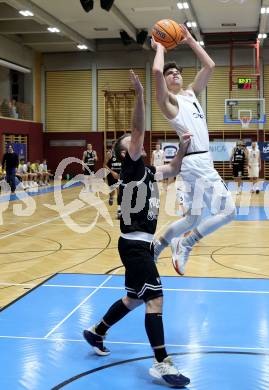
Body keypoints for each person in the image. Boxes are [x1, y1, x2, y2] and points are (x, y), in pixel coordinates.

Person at [83, 70, 190, 388]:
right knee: (155, 298)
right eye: (131, 141)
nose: (137, 141)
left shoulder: (146, 170)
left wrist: (183, 147)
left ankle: (96, 331)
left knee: (133, 298)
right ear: (123, 151)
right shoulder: (130, 166)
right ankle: (161, 363)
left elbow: (173, 168)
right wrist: (141, 96)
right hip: (134, 246)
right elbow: (138, 128)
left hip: (138, 246)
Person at [151, 25, 236, 276]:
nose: (175, 74)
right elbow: (156, 69)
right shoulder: (167, 101)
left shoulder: (190, 94)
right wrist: (159, 47)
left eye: (177, 72)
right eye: (171, 74)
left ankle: (159, 245)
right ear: (165, 82)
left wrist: (189, 39)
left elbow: (210, 66)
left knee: (192, 219)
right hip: (196, 163)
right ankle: (186, 243)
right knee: (229, 212)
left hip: (198, 163)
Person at [105, 142, 122, 218]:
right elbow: (104, 165)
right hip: (111, 175)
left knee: (119, 191)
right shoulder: (109, 153)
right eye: (115, 144)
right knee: (112, 192)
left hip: (119, 175)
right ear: (112, 145)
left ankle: (119, 210)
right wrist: (112, 172)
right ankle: (111, 197)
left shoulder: (121, 153)